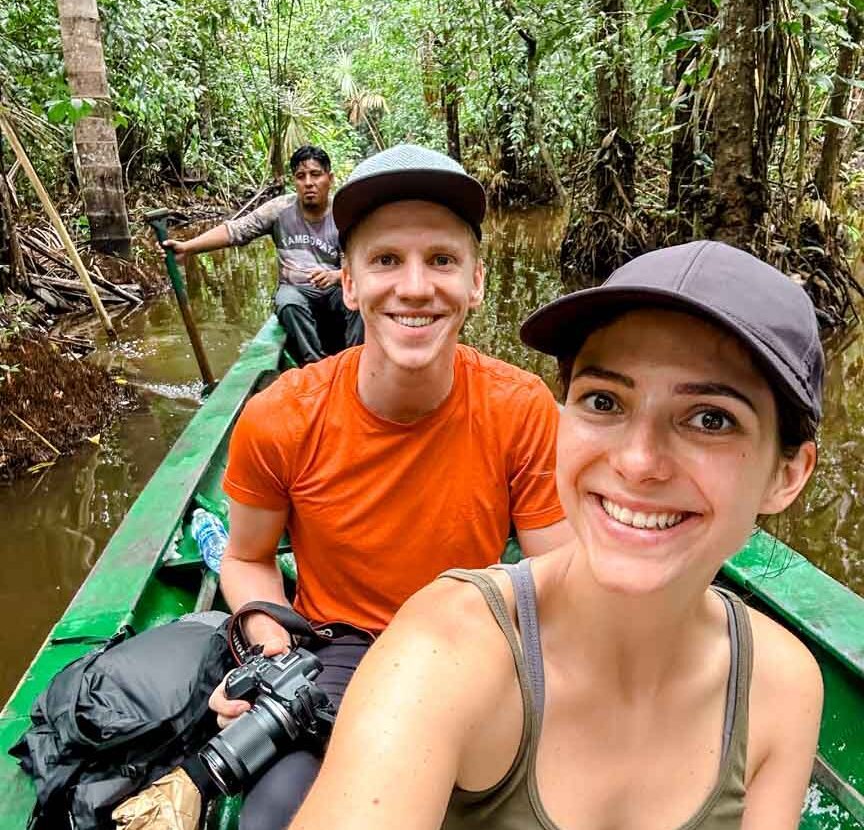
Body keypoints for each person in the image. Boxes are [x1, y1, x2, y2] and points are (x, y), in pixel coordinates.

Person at [290, 240, 825, 830]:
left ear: (787, 475)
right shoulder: (445, 655)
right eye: (604, 401)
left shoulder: (781, 684)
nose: (637, 462)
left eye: (710, 419)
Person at [210, 144, 574, 830]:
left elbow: (560, 579)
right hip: (335, 651)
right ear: (349, 284)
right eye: (385, 260)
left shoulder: (522, 408)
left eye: (441, 260)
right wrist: (269, 648)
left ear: (476, 283)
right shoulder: (280, 417)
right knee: (274, 816)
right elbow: (248, 557)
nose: (414, 287)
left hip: (475, 642)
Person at [163, 145, 363, 366]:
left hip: (335, 288)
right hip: (296, 289)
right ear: (294, 181)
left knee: (360, 296)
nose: (308, 183)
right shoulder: (280, 209)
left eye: (315, 174)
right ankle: (315, 366)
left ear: (330, 178)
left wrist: (336, 275)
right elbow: (235, 231)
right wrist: (188, 247)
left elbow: (360, 263)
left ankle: (355, 362)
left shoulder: (343, 213)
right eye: (301, 176)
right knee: (287, 302)